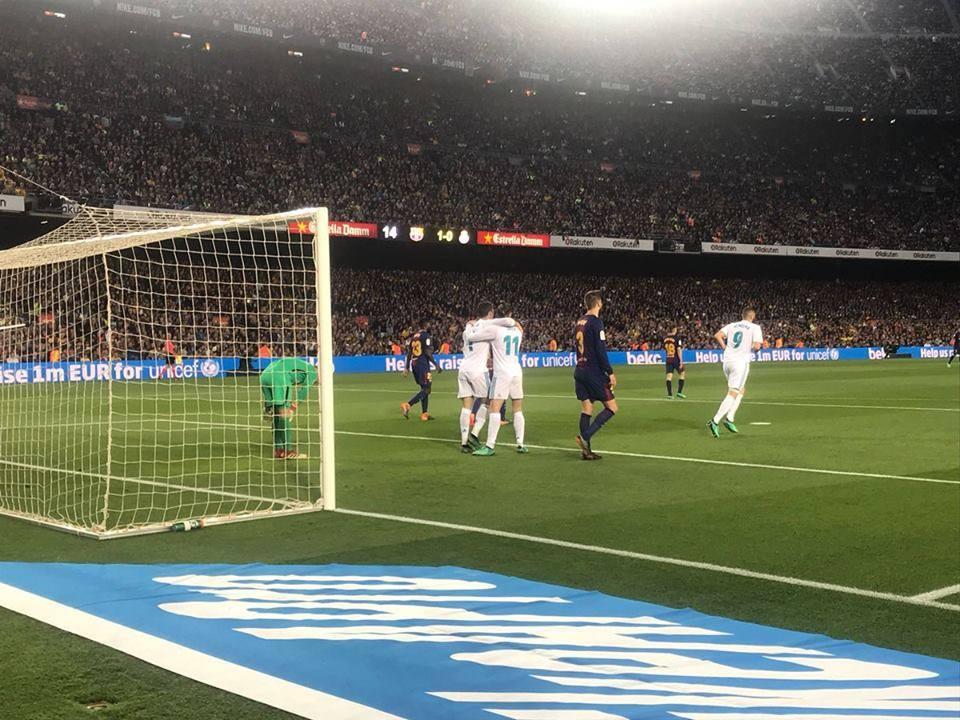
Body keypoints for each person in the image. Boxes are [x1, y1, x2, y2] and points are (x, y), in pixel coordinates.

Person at [458, 302, 514, 453]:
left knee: (466, 406)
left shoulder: (468, 328)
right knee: (489, 400)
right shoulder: (487, 325)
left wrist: (469, 324)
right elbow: (509, 322)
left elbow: (469, 336)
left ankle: (464, 443)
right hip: (478, 370)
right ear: (490, 313)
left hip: (463, 369)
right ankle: (475, 434)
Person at [468, 318, 526, 456]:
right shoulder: (517, 331)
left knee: (494, 408)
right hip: (516, 371)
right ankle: (520, 444)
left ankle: (490, 446)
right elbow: (518, 326)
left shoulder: (495, 330)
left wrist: (476, 325)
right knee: (517, 408)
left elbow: (471, 337)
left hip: (502, 373)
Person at [574, 290, 617, 461]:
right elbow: (600, 350)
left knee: (587, 409)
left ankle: (586, 452)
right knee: (612, 408)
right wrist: (609, 372)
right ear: (598, 303)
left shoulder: (580, 321)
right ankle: (585, 437)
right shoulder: (596, 322)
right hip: (593, 371)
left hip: (580, 369)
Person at [708, 307, 763, 437]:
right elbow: (757, 346)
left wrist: (725, 347)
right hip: (740, 363)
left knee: (740, 389)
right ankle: (715, 421)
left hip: (727, 361)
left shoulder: (732, 325)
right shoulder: (755, 328)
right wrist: (751, 348)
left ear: (742, 315)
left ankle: (730, 417)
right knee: (733, 392)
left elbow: (717, 335)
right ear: (752, 317)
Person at [259, 357, 318, 459]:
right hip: (279, 377)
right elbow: (304, 390)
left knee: (276, 415)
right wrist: (292, 408)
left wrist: (267, 406)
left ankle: (279, 450)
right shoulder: (313, 372)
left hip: (265, 375)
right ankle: (289, 451)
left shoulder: (303, 365)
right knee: (284, 414)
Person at [401, 325, 441, 420]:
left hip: (414, 364)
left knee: (424, 388)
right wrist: (436, 364)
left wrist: (407, 367)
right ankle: (408, 404)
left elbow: (409, 353)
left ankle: (424, 413)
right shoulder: (426, 336)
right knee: (427, 389)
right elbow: (427, 352)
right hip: (423, 365)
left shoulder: (414, 337)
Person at [663, 326, 686, 399]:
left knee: (669, 376)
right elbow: (679, 349)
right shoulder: (677, 338)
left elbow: (665, 349)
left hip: (668, 359)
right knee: (682, 373)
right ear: (674, 330)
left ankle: (670, 394)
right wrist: (681, 361)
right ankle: (679, 392)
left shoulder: (665, 339)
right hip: (676, 359)